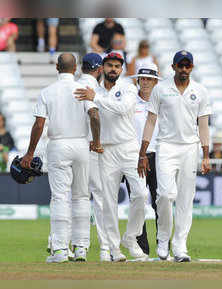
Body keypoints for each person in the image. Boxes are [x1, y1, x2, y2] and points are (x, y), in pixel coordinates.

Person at [20, 53, 102, 263]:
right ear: (75, 68)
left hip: (58, 144)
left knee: (60, 197)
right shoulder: (82, 90)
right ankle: (81, 248)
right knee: (82, 196)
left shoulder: (47, 91)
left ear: (57, 67)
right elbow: (94, 116)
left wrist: (30, 153)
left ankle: (60, 251)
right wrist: (97, 141)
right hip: (81, 144)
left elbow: (39, 125)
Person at [138, 50, 211, 262]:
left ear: (192, 68)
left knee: (185, 200)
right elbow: (150, 121)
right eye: (181, 65)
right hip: (166, 147)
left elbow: (203, 125)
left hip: (190, 147)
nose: (184, 69)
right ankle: (163, 239)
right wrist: (142, 152)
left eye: (188, 66)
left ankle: (180, 246)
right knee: (165, 195)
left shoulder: (200, 90)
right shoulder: (161, 89)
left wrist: (206, 155)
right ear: (173, 67)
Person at [74, 52, 148, 262]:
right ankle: (114, 249)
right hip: (105, 150)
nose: (113, 69)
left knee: (141, 194)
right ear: (102, 68)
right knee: (108, 201)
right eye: (109, 66)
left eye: (117, 66)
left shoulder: (127, 88)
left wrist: (96, 98)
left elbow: (123, 109)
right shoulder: (93, 90)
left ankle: (130, 237)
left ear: (121, 70)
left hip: (128, 147)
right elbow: (91, 117)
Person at [122, 62, 161, 257]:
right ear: (137, 80)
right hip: (134, 157)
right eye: (142, 78)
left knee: (160, 203)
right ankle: (141, 249)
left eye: (149, 79)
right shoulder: (130, 102)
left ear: (155, 81)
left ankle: (163, 247)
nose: (145, 82)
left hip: (159, 157)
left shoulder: (162, 102)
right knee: (138, 202)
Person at [77, 52, 111, 262]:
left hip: (73, 147)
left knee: (75, 198)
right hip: (91, 150)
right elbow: (95, 115)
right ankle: (105, 249)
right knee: (99, 199)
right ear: (99, 70)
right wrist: (97, 142)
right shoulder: (93, 90)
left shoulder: (69, 85)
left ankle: (70, 246)